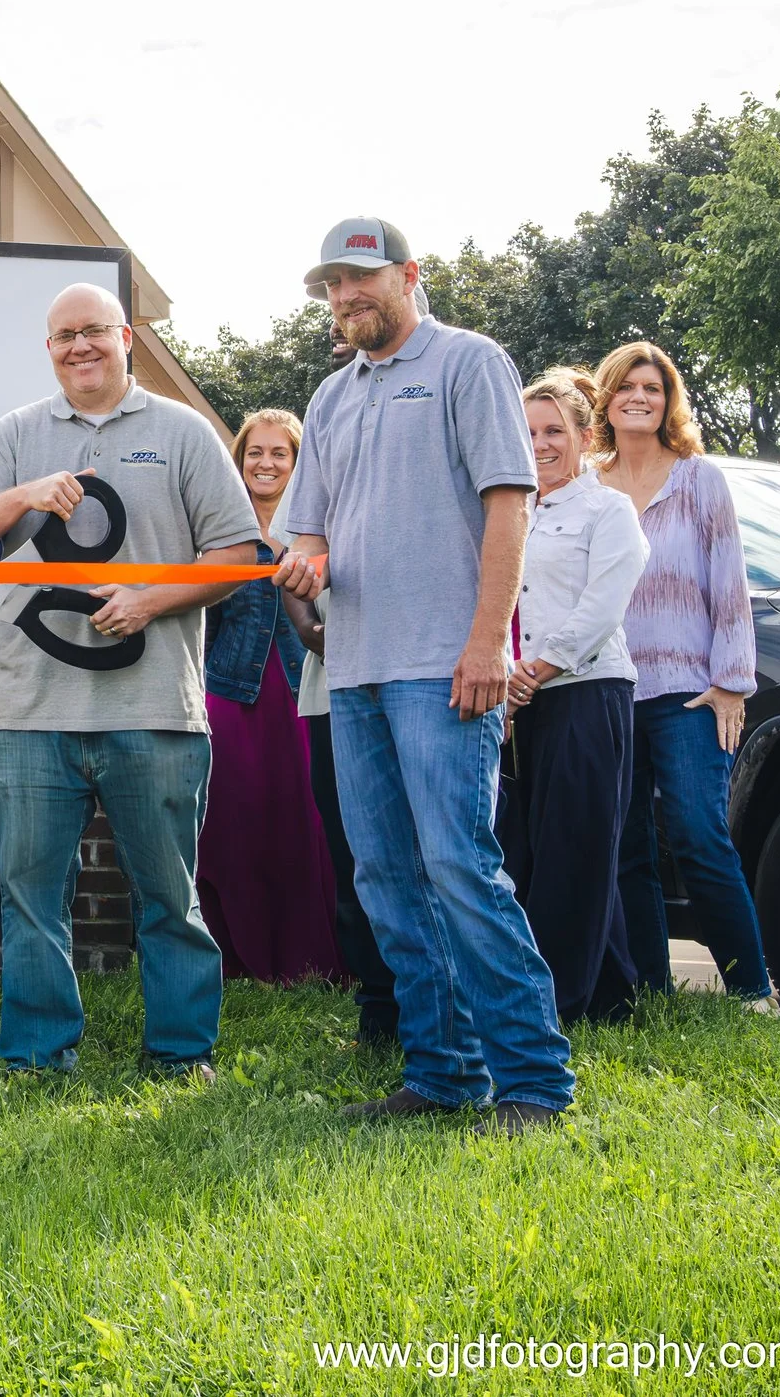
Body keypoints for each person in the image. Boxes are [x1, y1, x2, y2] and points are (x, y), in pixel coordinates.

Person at [275, 216, 573, 1134]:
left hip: (446, 666)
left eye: (361, 278)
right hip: (356, 668)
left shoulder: (470, 362)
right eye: (332, 283)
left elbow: (508, 506)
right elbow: (312, 528)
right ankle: (442, 1074)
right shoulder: (329, 397)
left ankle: (534, 1082)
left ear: (409, 274)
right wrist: (309, 565)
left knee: (460, 866)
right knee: (385, 878)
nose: (345, 296)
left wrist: (488, 642)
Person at [0, 283, 256, 1080]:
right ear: (49, 350)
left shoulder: (183, 432)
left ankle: (182, 1055)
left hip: (154, 708)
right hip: (27, 710)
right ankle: (39, 1057)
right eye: (63, 336)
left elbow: (239, 556)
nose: (79, 346)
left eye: (94, 332)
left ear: (126, 339)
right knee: (30, 901)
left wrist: (152, 599)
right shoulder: (15, 433)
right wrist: (25, 493)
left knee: (168, 898)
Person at [592, 341, 778, 1009]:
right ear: (607, 399)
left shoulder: (699, 478)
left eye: (653, 387)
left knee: (700, 834)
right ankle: (648, 987)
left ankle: (753, 988)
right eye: (627, 387)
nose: (640, 397)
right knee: (627, 846)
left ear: (668, 401)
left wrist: (732, 680)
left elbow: (730, 581)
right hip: (608, 686)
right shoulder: (589, 484)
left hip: (689, 691)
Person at [500, 368, 649, 1024]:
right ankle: (614, 996)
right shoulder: (512, 511)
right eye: (528, 431)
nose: (540, 444)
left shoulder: (608, 509)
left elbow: (602, 607)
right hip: (525, 702)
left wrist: (534, 668)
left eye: (554, 430)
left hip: (589, 692)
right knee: (540, 847)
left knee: (576, 851)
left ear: (585, 436)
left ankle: (556, 1004)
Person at [277, 318, 399, 1045]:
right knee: (356, 855)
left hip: (414, 674)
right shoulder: (326, 422)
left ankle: (436, 1011)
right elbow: (295, 552)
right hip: (332, 686)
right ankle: (379, 1011)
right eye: (339, 339)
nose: (346, 344)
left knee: (422, 853)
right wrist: (305, 624)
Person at [195, 410, 343, 984]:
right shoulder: (217, 530)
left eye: (280, 453)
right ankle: (235, 958)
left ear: (298, 462)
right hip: (230, 694)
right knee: (230, 826)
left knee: (307, 825)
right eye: (255, 452)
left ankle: (312, 961)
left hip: (303, 691)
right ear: (239, 460)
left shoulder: (318, 528)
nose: (266, 463)